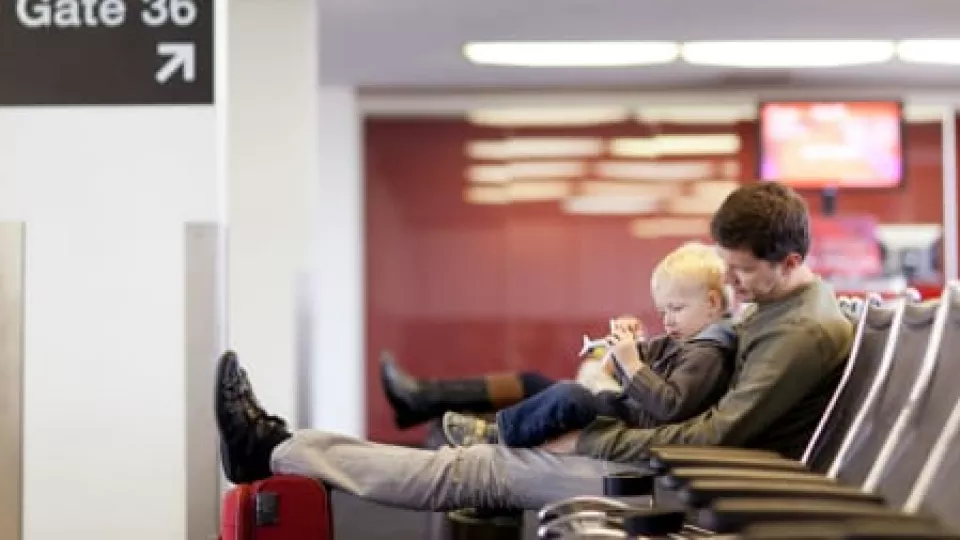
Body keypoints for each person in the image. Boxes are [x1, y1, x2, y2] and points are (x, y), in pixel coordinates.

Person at [215, 181, 854, 512]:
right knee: (490, 447)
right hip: (670, 462)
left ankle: (276, 450)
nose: (732, 285)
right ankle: (276, 444)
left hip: (686, 483)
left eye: (742, 272)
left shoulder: (797, 333)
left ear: (791, 258)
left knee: (473, 471)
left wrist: (589, 440)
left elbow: (717, 438)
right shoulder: (777, 308)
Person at [441, 242, 736, 448]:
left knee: (569, 395)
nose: (668, 321)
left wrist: (631, 363)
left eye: (676, 308)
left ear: (712, 302)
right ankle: (503, 432)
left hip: (641, 426)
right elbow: (638, 368)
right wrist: (630, 348)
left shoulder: (708, 353)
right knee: (568, 395)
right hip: (633, 412)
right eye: (663, 312)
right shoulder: (685, 340)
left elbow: (671, 406)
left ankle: (498, 435)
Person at [379, 315, 642, 429]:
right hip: (607, 400)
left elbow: (596, 382)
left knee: (535, 384)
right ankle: (420, 400)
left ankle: (419, 400)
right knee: (532, 383)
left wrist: (612, 360)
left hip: (611, 411)